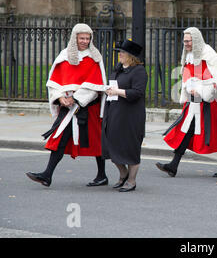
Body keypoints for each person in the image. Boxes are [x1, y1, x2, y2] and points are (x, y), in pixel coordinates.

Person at [26, 23, 108, 187]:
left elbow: (96, 85)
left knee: (95, 141)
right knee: (60, 139)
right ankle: (47, 175)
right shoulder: (64, 56)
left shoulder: (94, 57)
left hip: (88, 107)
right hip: (67, 107)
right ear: (75, 38)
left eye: (87, 38)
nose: (85, 41)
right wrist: (59, 98)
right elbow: (54, 82)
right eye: (81, 38)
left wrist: (76, 99)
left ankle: (102, 175)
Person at [157, 27, 217, 178]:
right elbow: (186, 74)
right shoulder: (188, 54)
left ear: (196, 40)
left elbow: (215, 78)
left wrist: (202, 90)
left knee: (216, 134)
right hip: (193, 101)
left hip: (210, 103)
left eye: (188, 41)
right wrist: (188, 87)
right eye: (184, 41)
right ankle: (173, 165)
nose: (186, 44)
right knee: (186, 131)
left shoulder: (208, 53)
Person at [102, 40, 148, 192]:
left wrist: (117, 92)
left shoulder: (139, 71)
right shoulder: (119, 69)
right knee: (111, 144)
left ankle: (131, 180)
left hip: (131, 115)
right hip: (115, 111)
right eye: (119, 52)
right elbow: (113, 85)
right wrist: (108, 90)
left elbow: (138, 93)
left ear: (131, 56)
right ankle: (123, 173)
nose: (119, 55)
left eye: (122, 52)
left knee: (130, 146)